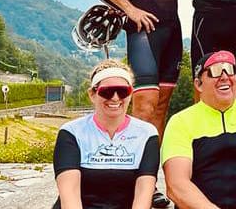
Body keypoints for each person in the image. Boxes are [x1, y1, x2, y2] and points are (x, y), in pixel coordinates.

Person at [84, 0, 182, 207]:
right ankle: (129, 179)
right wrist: (129, 8)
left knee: (162, 109)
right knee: (143, 106)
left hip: (172, 28)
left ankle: (149, 184)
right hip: (143, 30)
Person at [161, 50, 236, 209]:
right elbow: (177, 185)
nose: (224, 77)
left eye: (230, 70)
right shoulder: (180, 122)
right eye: (215, 71)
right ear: (198, 84)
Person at [53, 59, 159, 209]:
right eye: (107, 91)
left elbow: (144, 193)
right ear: (92, 94)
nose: (115, 98)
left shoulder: (147, 134)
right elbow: (69, 196)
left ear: (131, 93)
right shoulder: (71, 132)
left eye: (123, 91)